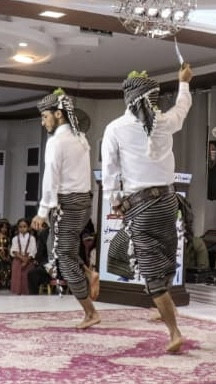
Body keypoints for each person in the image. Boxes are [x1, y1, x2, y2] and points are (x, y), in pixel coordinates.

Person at [101, 64, 193, 353]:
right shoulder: (165, 122)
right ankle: (164, 306)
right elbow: (183, 107)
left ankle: (174, 332)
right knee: (165, 259)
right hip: (169, 203)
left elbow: (110, 172)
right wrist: (184, 82)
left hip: (141, 206)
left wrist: (115, 202)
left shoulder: (115, 128)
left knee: (152, 274)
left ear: (128, 99)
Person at [31, 88, 100, 328]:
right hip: (84, 202)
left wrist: (42, 212)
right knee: (65, 250)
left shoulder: (56, 142)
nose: (43, 122)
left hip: (67, 205)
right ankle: (89, 274)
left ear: (58, 114)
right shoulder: (81, 138)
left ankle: (90, 313)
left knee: (63, 259)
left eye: (45, 116)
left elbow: (50, 178)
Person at [9, 218, 37, 295]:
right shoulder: (15, 238)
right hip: (18, 260)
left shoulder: (32, 238)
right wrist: (22, 258)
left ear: (28, 227)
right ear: (18, 228)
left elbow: (33, 250)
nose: (22, 229)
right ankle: (17, 294)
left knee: (26, 278)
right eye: (20, 227)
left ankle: (27, 294)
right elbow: (14, 250)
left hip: (28, 260)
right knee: (17, 278)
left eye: (24, 226)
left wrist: (26, 260)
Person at [0, 218, 11, 289]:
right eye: (2, 227)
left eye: (6, 228)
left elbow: (9, 247)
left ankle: (5, 284)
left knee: (6, 269)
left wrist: (8, 256)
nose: (4, 229)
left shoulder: (8, 237)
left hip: (6, 254)